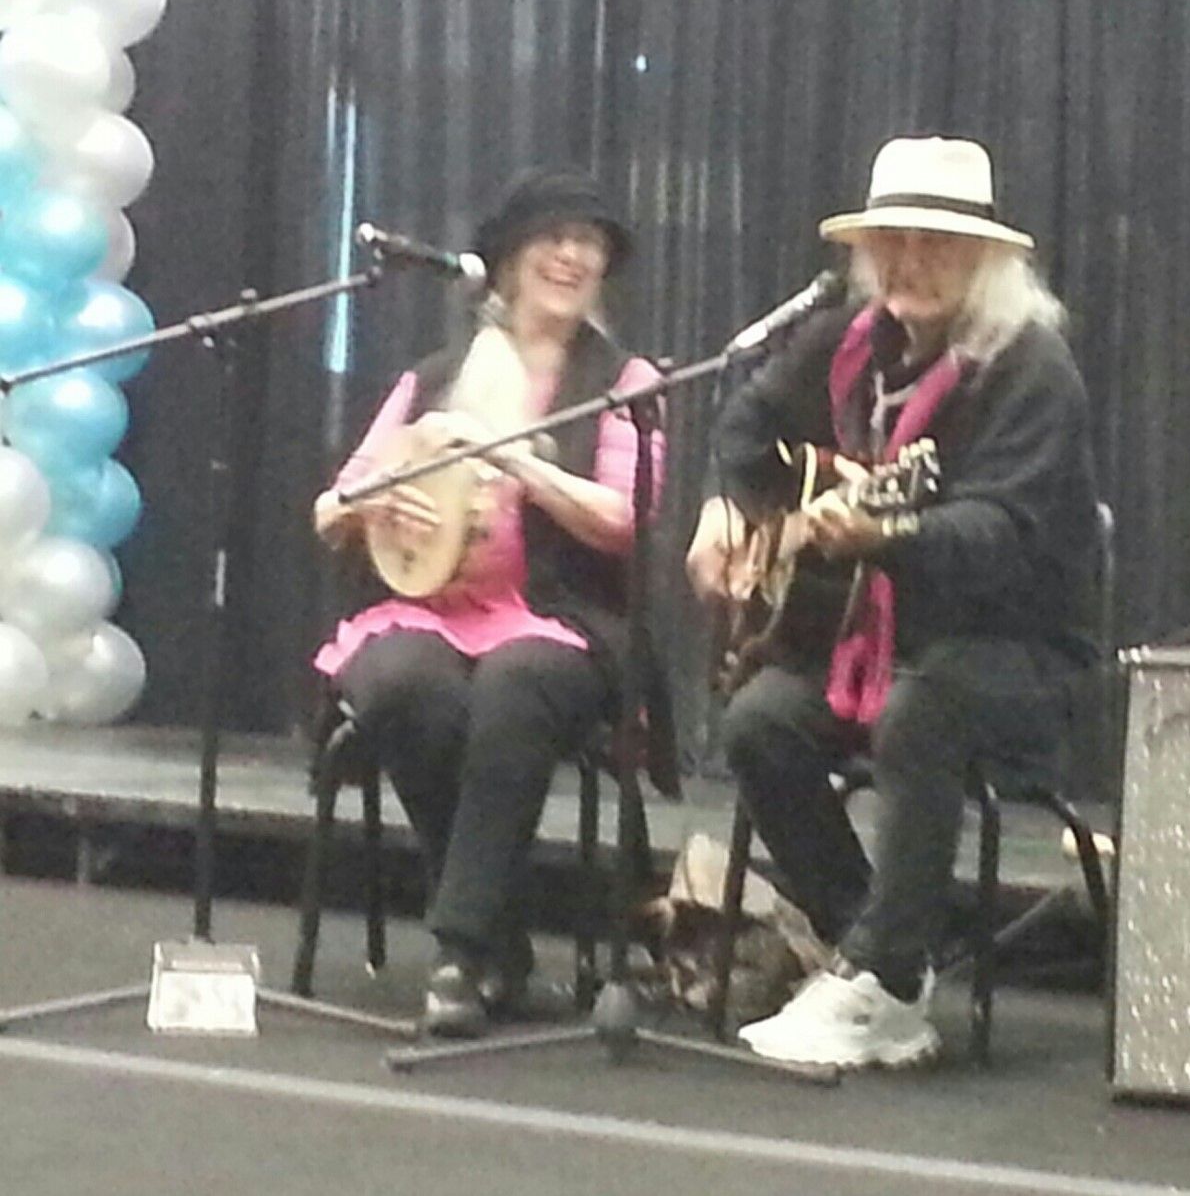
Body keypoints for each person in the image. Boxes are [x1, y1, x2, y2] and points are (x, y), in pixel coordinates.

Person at [685, 136, 1100, 1068]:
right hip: (870, 642)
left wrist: (888, 535)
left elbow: (1000, 536)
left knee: (925, 702)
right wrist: (727, 506)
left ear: (985, 261)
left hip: (1015, 653)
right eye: (894, 244)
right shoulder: (848, 344)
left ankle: (884, 969)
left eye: (937, 245)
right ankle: (875, 956)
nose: (911, 263)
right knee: (759, 722)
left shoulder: (1030, 370)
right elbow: (746, 423)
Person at [311, 167, 665, 1037]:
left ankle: (461, 951)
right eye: (554, 238)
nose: (573, 256)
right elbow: (330, 508)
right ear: (507, 260)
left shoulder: (624, 380)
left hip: (558, 619)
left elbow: (624, 520)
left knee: (514, 685)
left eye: (589, 244)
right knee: (401, 685)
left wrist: (517, 459)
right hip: (431, 611)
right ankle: (500, 939)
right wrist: (377, 506)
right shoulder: (435, 378)